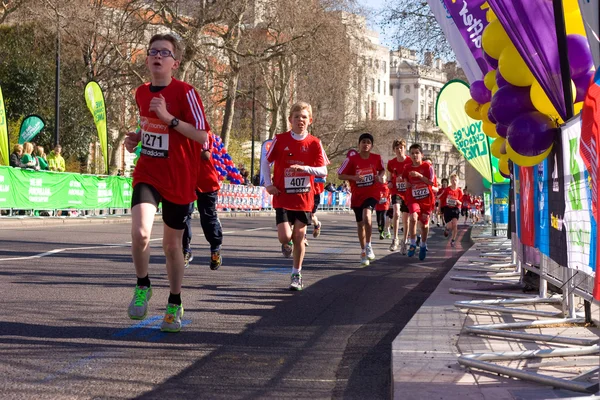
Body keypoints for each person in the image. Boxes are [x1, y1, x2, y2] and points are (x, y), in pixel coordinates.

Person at [123, 33, 209, 333]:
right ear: (147, 59)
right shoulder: (140, 93)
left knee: (172, 247)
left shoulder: (187, 93)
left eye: (165, 52)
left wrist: (169, 117)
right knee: (140, 232)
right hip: (148, 172)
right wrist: (135, 139)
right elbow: (146, 129)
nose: (158, 55)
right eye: (153, 51)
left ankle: (174, 302)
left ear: (175, 62)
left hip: (180, 178)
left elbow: (202, 136)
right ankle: (143, 284)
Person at [262, 101, 329, 291]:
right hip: (283, 195)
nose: (301, 120)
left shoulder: (315, 143)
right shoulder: (280, 139)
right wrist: (268, 184)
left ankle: (296, 273)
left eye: (304, 117)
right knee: (285, 237)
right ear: (290, 119)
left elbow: (323, 171)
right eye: (297, 117)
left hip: (303, 198)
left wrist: (305, 168)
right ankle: (286, 244)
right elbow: (266, 163)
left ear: (310, 121)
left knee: (299, 236)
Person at [338, 133, 386, 266]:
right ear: (359, 144)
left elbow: (382, 170)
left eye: (368, 142)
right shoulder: (352, 160)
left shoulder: (376, 158)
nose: (366, 144)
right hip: (357, 195)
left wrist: (379, 176)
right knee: (360, 224)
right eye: (363, 142)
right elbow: (340, 175)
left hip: (372, 192)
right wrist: (353, 178)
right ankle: (363, 250)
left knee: (367, 217)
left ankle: (369, 245)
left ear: (371, 145)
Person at [182, 132, 223, 270]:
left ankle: (215, 249)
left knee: (207, 216)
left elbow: (206, 155)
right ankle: (185, 250)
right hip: (186, 180)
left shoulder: (203, 131)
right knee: (183, 215)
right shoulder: (176, 129)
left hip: (206, 182)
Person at [403, 144, 435, 260]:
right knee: (413, 218)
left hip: (426, 199)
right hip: (413, 198)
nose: (414, 155)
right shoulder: (407, 167)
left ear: (421, 155)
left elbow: (431, 183)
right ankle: (412, 243)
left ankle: (423, 244)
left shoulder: (427, 167)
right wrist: (406, 182)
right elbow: (405, 177)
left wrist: (419, 175)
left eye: (417, 153)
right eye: (412, 153)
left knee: (425, 224)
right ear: (409, 155)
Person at [386, 138, 412, 254]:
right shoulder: (391, 163)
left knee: (406, 219)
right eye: (397, 148)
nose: (399, 150)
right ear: (394, 150)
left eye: (401, 148)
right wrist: (390, 182)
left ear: (404, 149)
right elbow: (390, 175)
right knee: (396, 212)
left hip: (407, 193)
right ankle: (395, 239)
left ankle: (405, 241)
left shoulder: (410, 161)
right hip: (396, 191)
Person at [438, 174, 463, 247]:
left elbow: (461, 202)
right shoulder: (447, 190)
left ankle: (453, 240)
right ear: (450, 181)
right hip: (447, 209)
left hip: (455, 209)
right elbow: (441, 199)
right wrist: (439, 209)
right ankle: (446, 228)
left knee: (455, 225)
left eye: (455, 180)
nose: (454, 181)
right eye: (452, 180)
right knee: (450, 226)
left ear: (458, 181)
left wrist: (457, 201)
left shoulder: (459, 191)